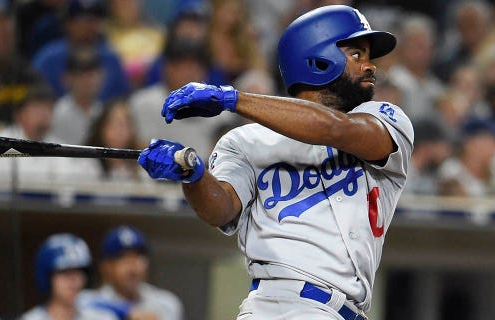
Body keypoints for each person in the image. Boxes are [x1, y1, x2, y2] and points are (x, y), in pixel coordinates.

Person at [137, 5, 413, 319]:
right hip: (269, 302)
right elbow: (221, 210)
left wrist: (232, 98)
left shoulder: (386, 120)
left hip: (343, 310)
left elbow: (334, 128)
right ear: (317, 59)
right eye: (356, 54)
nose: (370, 67)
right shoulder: (246, 140)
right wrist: (194, 174)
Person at [0, 86, 100, 185]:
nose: (44, 114)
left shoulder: (59, 148)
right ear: (19, 114)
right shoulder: (0, 143)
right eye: (37, 109)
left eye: (48, 109)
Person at [82, 226, 183, 320]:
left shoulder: (166, 303)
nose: (132, 267)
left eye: (138, 257)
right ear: (106, 267)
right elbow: (82, 301)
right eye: (124, 258)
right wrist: (127, 313)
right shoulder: (89, 303)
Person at [19, 233, 117, 320]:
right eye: (65, 272)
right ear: (48, 278)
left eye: (78, 272)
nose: (73, 280)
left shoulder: (102, 317)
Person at [50, 47, 105, 145]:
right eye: (80, 75)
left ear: (101, 77)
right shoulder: (56, 114)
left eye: (91, 74)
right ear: (67, 78)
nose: (86, 81)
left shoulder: (103, 112)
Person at [85, 99, 145, 182]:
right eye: (114, 124)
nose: (120, 131)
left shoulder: (140, 168)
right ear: (102, 128)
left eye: (125, 125)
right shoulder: (86, 164)